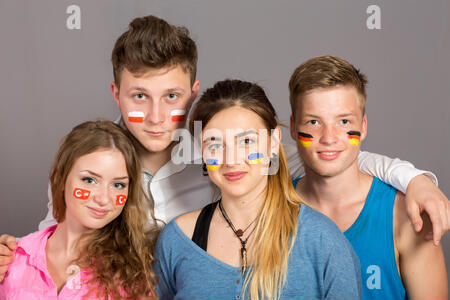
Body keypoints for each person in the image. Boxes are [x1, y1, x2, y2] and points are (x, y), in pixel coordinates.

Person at [1, 15, 449, 282]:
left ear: (194, 93)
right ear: (115, 93)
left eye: (172, 97)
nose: (157, 116)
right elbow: (57, 236)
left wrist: (414, 180)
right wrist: (16, 254)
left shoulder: (221, 150)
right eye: (140, 96)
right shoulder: (90, 165)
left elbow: (325, 150)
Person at [154, 79, 362, 299]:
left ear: (273, 143)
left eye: (246, 142)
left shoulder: (321, 240)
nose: (231, 160)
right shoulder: (176, 241)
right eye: (214, 144)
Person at [288, 55, 448, 299]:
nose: (329, 137)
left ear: (363, 126)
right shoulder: (268, 210)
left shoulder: (406, 217)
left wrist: (417, 179)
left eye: (344, 121)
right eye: (313, 122)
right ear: (293, 127)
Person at [0, 121, 159, 299]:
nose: (103, 199)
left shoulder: (134, 273)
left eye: (118, 184)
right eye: (89, 180)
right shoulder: (11, 258)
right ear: (59, 179)